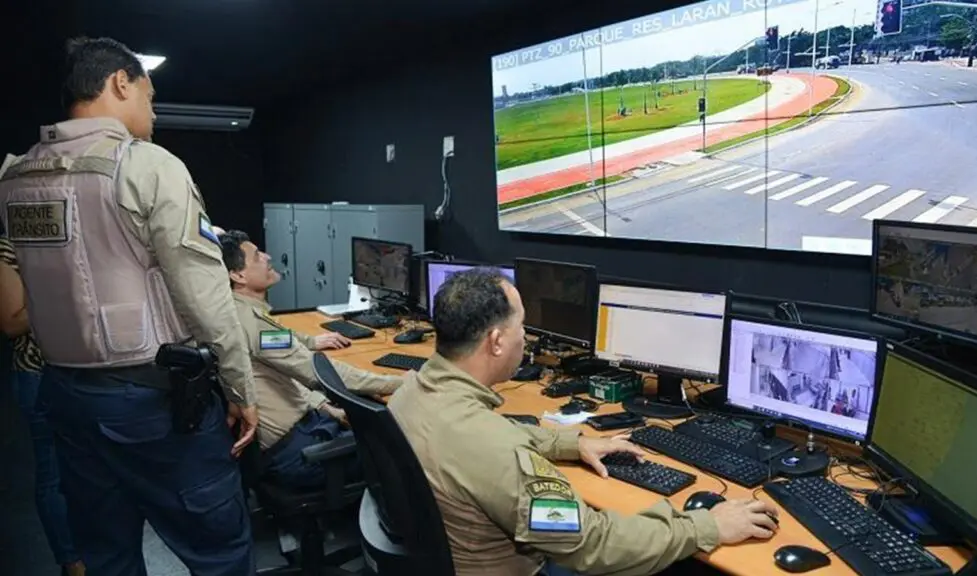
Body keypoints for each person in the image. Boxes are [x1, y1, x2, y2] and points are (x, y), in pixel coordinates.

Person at [0, 37, 259, 575]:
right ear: (121, 82)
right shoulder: (147, 166)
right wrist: (240, 388)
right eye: (151, 95)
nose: (153, 110)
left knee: (106, 553)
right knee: (219, 550)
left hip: (65, 395)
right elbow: (205, 295)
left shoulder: (17, 177)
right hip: (151, 399)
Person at [388, 269, 779, 575]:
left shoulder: (411, 392)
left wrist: (570, 444)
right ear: (495, 342)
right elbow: (593, 543)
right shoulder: (498, 453)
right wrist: (705, 527)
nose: (526, 337)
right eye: (521, 327)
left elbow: (485, 442)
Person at [219, 229, 404, 488]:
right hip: (296, 453)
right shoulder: (255, 326)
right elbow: (321, 373)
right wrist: (399, 381)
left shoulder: (241, 314)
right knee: (404, 450)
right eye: (257, 255)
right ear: (238, 275)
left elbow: (281, 351)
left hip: (291, 437)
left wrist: (324, 404)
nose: (268, 256)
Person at [0, 235, 84, 576]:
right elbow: (12, 322)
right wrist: (63, 293)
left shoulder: (73, 238)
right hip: (38, 374)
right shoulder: (6, 247)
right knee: (54, 473)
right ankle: (73, 563)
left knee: (90, 471)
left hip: (81, 371)